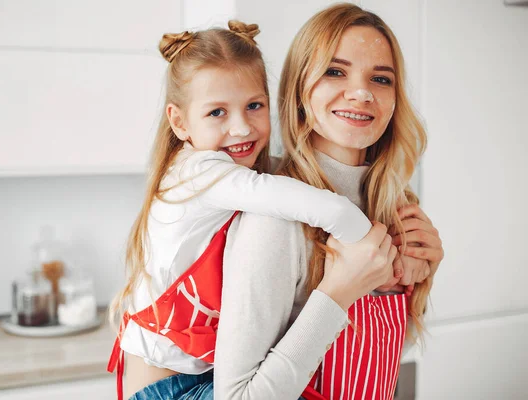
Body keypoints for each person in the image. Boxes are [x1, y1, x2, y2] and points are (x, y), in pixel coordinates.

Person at [106, 18, 393, 400]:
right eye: (217, 113)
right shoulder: (198, 171)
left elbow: (280, 179)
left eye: (253, 106)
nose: (241, 128)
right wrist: (369, 250)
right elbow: (296, 197)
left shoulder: (234, 173)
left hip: (195, 375)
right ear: (179, 122)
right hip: (167, 390)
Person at [214, 4, 444, 400]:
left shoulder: (392, 204)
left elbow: (379, 359)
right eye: (335, 71)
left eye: (381, 78)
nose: (361, 93)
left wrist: (421, 279)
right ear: (300, 89)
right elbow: (235, 397)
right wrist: (339, 291)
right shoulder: (278, 217)